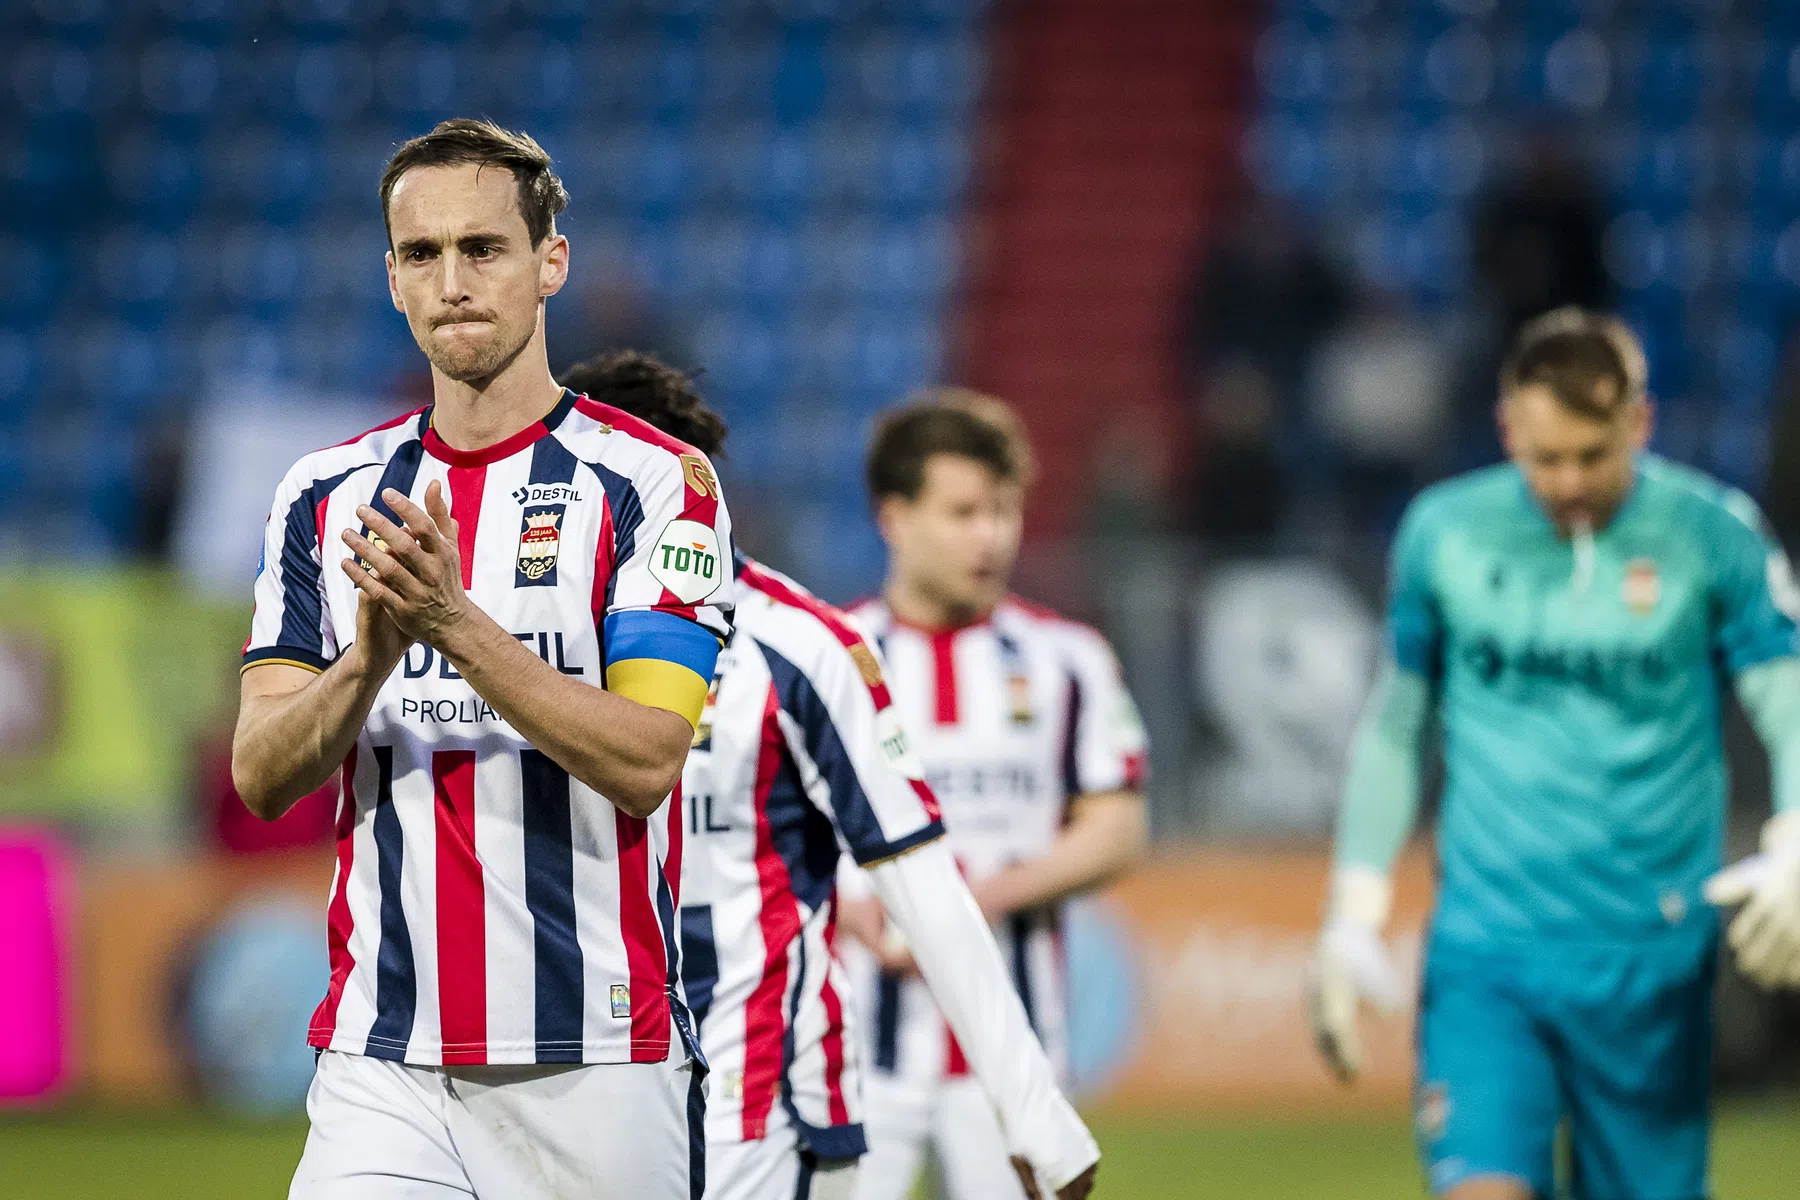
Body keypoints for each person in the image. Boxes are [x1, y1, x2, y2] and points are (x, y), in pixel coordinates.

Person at [233, 120, 732, 1199]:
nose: (452, 281)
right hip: (384, 1060)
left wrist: (454, 625)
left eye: (484, 248)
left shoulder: (653, 483)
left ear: (551, 263)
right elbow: (261, 774)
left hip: (597, 1061)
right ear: (393, 279)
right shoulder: (325, 495)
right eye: (422, 255)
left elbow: (649, 759)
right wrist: (368, 659)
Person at [556, 352, 1101, 1200]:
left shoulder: (801, 649)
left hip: (768, 1098)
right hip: (582, 1092)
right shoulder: (523, 654)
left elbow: (921, 868)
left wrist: (1031, 1106)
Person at [1310, 307, 1800, 1200]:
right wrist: (1354, 907)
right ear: (1507, 431)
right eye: (1545, 458)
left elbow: (1787, 692)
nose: (1568, 481)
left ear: (1640, 425)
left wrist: (1799, 837)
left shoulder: (1713, 534)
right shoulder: (1444, 534)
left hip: (1651, 959)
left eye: (1592, 455)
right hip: (1488, 953)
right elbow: (1395, 724)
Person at [841, 392, 1149, 1200]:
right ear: (895, 517)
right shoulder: (830, 661)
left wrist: (972, 902)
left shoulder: (1067, 660)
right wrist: (852, 906)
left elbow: (1117, 826)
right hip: (850, 1054)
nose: (991, 536)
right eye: (964, 512)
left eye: (1004, 511)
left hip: (1016, 1057)